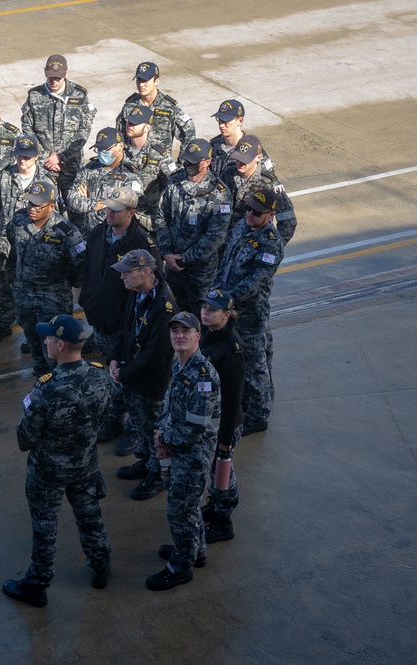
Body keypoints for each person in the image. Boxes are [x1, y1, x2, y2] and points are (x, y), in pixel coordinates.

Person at [2, 315, 114, 608]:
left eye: (48, 338)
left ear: (60, 345)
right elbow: (103, 418)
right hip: (85, 465)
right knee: (90, 518)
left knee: (45, 526)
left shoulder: (46, 388)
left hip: (47, 471)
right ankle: (101, 566)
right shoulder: (100, 376)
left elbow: (25, 439)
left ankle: (37, 583)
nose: (45, 342)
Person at [77, 188, 161, 455]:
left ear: (131, 213)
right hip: (102, 321)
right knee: (112, 373)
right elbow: (88, 269)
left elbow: (153, 287)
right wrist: (88, 300)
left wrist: (130, 320)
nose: (109, 213)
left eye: (115, 209)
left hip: (127, 327)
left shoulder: (142, 244)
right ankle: (114, 419)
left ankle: (135, 429)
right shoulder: (98, 234)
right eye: (107, 208)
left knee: (131, 378)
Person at [147, 311, 221, 591]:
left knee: (180, 510)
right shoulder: (180, 365)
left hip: (193, 455)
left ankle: (181, 566)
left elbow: (195, 428)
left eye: (185, 331)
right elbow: (170, 406)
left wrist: (165, 437)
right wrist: (161, 430)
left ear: (197, 336)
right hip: (180, 448)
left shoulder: (203, 376)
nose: (179, 335)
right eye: (174, 331)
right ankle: (195, 550)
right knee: (187, 509)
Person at [215, 188, 285, 434]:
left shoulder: (271, 244)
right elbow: (225, 262)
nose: (249, 214)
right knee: (244, 361)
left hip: (250, 313)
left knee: (256, 366)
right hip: (230, 308)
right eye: (248, 209)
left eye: (256, 212)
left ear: (270, 214)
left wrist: (225, 300)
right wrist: (216, 290)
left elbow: (254, 283)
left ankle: (259, 414)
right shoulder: (242, 227)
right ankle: (249, 402)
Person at [109, 249, 177, 499]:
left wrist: (124, 374)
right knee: (139, 425)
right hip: (131, 376)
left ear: (147, 272)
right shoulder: (136, 295)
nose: (122, 278)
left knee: (153, 430)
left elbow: (155, 354)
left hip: (150, 383)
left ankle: (157, 474)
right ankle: (145, 461)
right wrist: (115, 359)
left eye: (128, 273)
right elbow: (124, 330)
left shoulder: (164, 306)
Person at [0, 135, 60, 344]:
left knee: (32, 294)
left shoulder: (46, 181)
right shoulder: (5, 176)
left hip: (33, 247)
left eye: (27, 157)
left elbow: (55, 216)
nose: (22, 160)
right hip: (6, 246)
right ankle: (3, 325)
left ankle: (32, 335)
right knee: (5, 289)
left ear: (36, 156)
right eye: (19, 156)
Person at [8, 181, 86, 377]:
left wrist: (65, 282)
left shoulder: (67, 232)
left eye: (37, 206)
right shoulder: (19, 221)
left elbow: (81, 267)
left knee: (55, 347)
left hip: (53, 299)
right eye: (29, 204)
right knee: (32, 339)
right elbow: (10, 247)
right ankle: (39, 372)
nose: (32, 209)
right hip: (23, 295)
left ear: (51, 206)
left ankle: (58, 380)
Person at [155, 138, 232, 314]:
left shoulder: (220, 193)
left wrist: (184, 259)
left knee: (203, 317)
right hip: (174, 269)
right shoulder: (174, 182)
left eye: (193, 162)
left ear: (207, 162)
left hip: (201, 274)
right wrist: (166, 253)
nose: (188, 164)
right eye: (186, 160)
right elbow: (161, 217)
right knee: (176, 315)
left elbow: (215, 236)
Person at [198, 289, 246, 543]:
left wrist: (225, 439)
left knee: (223, 473)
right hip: (211, 420)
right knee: (212, 470)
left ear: (227, 314)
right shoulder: (210, 333)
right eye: (204, 307)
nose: (205, 313)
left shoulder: (231, 349)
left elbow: (232, 398)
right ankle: (216, 504)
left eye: (212, 309)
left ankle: (223, 521)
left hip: (224, 424)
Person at [21, 54, 97, 206]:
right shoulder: (35, 96)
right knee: (45, 207)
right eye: (51, 77)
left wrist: (61, 156)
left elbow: (83, 131)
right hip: (44, 167)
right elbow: (27, 129)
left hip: (71, 165)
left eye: (58, 77)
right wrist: (46, 159)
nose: (54, 81)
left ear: (66, 73)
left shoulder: (79, 95)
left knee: (76, 208)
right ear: (45, 73)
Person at [221, 135, 297, 244]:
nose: (240, 163)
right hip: (226, 244)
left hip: (252, 246)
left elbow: (288, 220)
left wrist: (273, 246)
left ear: (258, 157)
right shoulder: (228, 173)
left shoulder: (270, 184)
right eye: (238, 158)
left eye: (245, 159)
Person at [65, 127, 143, 233]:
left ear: (120, 146)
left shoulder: (131, 175)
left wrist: (85, 204)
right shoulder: (89, 168)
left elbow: (121, 211)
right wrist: (97, 205)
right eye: (99, 149)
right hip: (84, 235)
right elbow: (71, 198)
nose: (101, 153)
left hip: (112, 235)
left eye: (106, 150)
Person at [115, 61, 196, 153]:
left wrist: (182, 163)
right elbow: (118, 135)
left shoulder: (169, 108)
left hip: (158, 164)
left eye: (145, 81)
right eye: (139, 80)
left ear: (156, 81)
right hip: (131, 163)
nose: (141, 85)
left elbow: (189, 132)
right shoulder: (129, 106)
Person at [121, 105, 177, 225]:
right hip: (121, 217)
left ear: (147, 128)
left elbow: (173, 184)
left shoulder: (159, 155)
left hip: (148, 220)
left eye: (135, 123)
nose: (129, 126)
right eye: (129, 122)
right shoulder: (118, 148)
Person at [208, 99, 276, 178]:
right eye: (219, 120)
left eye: (226, 121)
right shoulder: (213, 146)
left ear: (240, 121)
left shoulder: (252, 149)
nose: (221, 125)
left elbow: (269, 178)